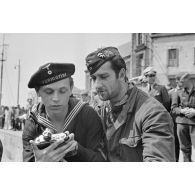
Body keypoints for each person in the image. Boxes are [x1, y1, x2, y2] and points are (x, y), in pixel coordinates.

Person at [85, 46, 175, 162]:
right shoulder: (99, 108)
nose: (96, 85)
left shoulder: (153, 113)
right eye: (93, 78)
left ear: (122, 75)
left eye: (103, 77)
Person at [22, 63, 106, 162]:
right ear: (38, 92)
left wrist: (77, 149)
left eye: (62, 91)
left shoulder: (88, 115)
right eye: (49, 92)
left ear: (71, 89)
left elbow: (102, 160)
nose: (56, 99)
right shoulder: (32, 122)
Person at [171, 72, 195, 162]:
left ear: (188, 80)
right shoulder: (178, 92)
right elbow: (173, 109)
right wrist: (181, 110)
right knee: (185, 150)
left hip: (194, 123)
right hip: (182, 124)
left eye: (181, 82)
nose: (179, 84)